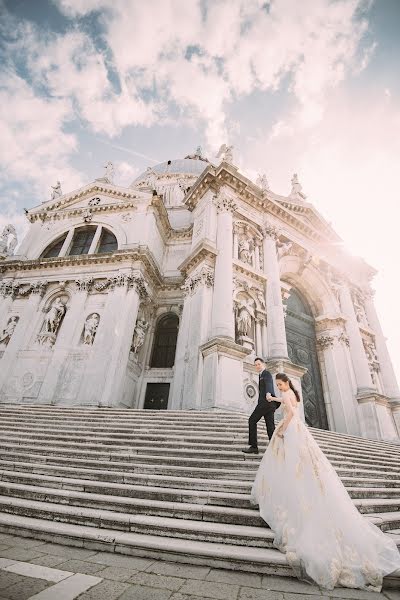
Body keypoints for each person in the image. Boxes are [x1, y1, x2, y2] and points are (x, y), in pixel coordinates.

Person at [250, 372, 400, 591]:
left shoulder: (289, 394)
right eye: (279, 386)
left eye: (280, 385)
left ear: (285, 383)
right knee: (301, 463)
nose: (280, 388)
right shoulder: (291, 393)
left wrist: (282, 427)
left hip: (291, 428)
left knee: (291, 460)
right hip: (298, 430)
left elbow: (291, 411)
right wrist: (275, 399)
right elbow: (288, 401)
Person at [242, 357, 279, 454]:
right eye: (256, 365)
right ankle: (275, 448)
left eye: (259, 364)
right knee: (270, 426)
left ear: (263, 364)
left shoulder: (266, 373)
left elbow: (269, 383)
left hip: (266, 403)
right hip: (270, 405)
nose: (257, 366)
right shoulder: (261, 375)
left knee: (252, 420)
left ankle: (254, 446)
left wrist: (268, 393)